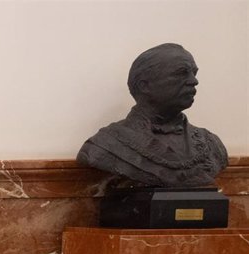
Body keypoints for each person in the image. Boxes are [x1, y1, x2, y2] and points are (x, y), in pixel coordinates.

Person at [77, 43, 228, 187]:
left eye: (194, 73)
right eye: (181, 73)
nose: (194, 81)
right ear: (145, 86)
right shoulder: (105, 145)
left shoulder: (211, 144)